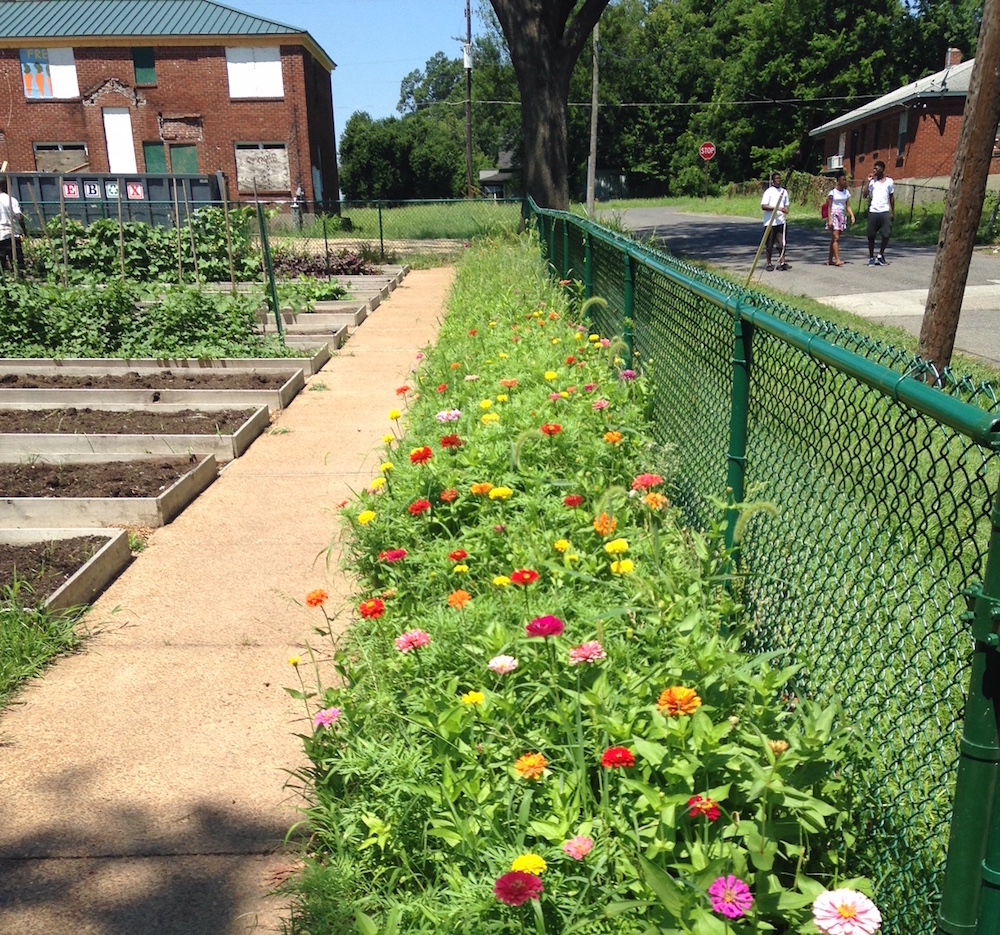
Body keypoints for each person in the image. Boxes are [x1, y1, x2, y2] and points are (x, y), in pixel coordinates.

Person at [862, 160, 894, 266]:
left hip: (884, 211)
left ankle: (880, 255)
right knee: (871, 235)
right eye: (874, 168)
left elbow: (891, 197)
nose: (875, 170)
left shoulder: (889, 181)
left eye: (877, 168)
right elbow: (865, 195)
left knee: (886, 234)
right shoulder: (872, 182)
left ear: (882, 169)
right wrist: (868, 181)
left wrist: (892, 211)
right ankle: (871, 257)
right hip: (873, 211)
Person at [824, 172, 855, 266]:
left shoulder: (846, 192)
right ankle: (837, 260)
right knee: (836, 238)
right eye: (843, 180)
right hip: (834, 215)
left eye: (845, 180)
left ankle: (830, 260)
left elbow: (847, 206)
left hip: (842, 215)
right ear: (838, 181)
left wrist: (852, 215)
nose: (845, 182)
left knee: (835, 239)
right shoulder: (832, 193)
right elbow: (829, 207)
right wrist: (829, 220)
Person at [760, 171, 789, 271]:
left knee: (782, 243)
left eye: (779, 179)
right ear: (772, 181)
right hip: (770, 222)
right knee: (769, 244)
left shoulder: (784, 192)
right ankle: (769, 263)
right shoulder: (769, 191)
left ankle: (782, 262)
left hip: (781, 222)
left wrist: (785, 209)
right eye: (776, 179)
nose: (778, 180)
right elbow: (764, 206)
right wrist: (777, 209)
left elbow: (786, 204)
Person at [0, 178, 26, 273]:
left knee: (1, 263)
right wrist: (23, 230)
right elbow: (19, 216)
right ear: (4, 186)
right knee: (17, 261)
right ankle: (19, 278)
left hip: (0, 237)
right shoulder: (11, 199)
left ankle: (4, 283)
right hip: (12, 234)